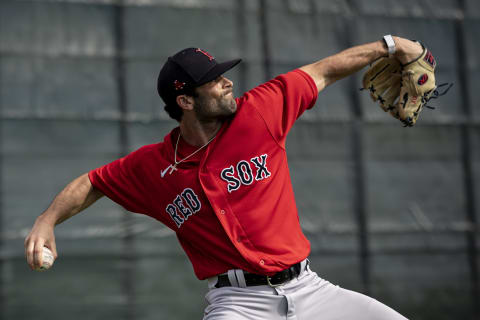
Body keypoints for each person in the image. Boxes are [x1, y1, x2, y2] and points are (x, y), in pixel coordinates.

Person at [25, 36, 422, 319]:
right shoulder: (155, 167)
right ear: (185, 101)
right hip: (238, 304)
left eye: (223, 74)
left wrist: (390, 45)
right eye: (213, 80)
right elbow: (93, 182)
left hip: (310, 288)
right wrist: (47, 220)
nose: (227, 81)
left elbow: (323, 71)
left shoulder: (261, 111)